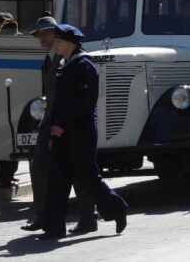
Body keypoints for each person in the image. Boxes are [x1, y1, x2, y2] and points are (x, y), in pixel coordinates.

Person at [40, 24, 127, 240]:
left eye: (58, 41)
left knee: (88, 177)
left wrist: (63, 124)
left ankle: (117, 209)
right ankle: (53, 228)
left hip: (80, 133)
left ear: (70, 43)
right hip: (63, 133)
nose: (55, 44)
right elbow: (60, 102)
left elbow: (85, 103)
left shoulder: (83, 65)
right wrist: (55, 127)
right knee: (57, 179)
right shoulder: (66, 64)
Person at [22, 17, 97, 235]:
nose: (43, 39)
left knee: (76, 170)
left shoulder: (69, 59)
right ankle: (42, 216)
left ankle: (88, 217)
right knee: (40, 165)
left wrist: (61, 123)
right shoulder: (49, 59)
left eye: (47, 34)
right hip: (50, 120)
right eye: (39, 35)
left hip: (65, 122)